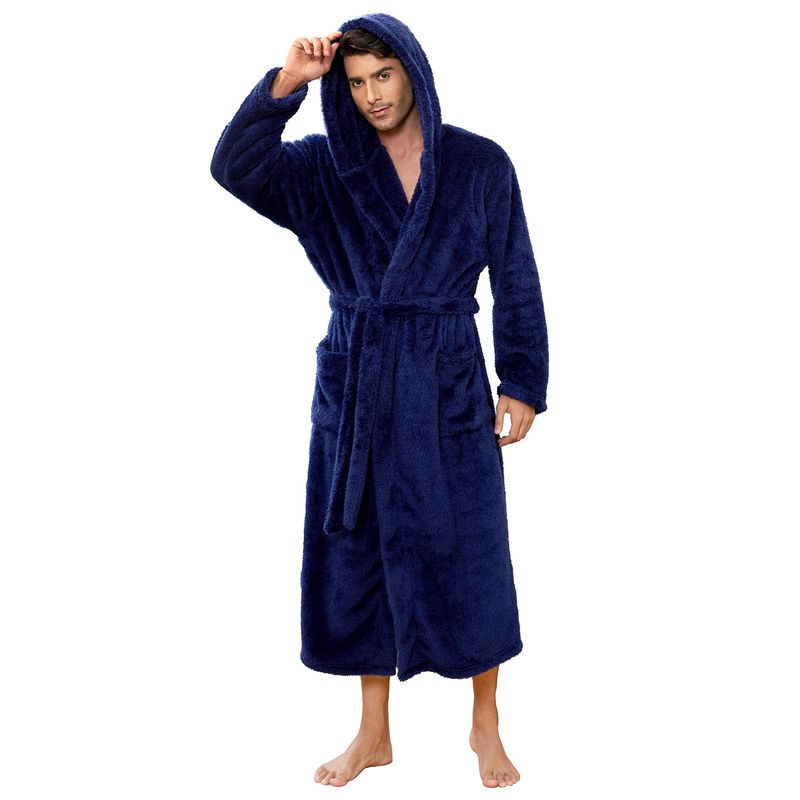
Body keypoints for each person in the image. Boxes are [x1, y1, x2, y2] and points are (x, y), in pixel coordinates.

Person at [210, 13, 548, 789]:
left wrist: (523, 380)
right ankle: (373, 732)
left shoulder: (479, 164)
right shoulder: (322, 168)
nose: (372, 96)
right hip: (359, 379)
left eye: (384, 76)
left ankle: (485, 723)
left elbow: (516, 275)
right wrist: (288, 83)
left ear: (413, 72)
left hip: (445, 377)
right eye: (357, 82)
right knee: (359, 546)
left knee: (471, 548)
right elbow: (233, 166)